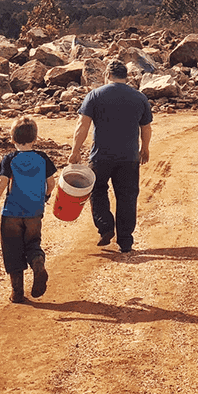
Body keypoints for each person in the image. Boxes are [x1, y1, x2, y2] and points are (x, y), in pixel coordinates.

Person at [70, 59, 153, 253]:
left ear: (107, 75)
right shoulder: (139, 97)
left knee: (97, 190)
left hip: (101, 157)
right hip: (129, 157)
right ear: (126, 76)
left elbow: (82, 125)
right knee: (127, 196)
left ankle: (106, 227)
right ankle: (125, 241)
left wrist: (75, 150)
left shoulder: (95, 95)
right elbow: (146, 127)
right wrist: (145, 148)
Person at [0, 116, 59, 303]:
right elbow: (51, 182)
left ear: (12, 139)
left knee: (12, 250)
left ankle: (17, 293)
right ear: (35, 139)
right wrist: (44, 197)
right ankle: (38, 265)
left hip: (11, 213)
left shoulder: (9, 159)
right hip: (34, 213)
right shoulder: (42, 158)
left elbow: (1, 185)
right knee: (33, 244)